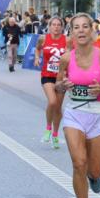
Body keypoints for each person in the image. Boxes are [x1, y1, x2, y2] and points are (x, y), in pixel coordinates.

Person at [54, 13, 100, 198]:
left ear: (92, 31)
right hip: (74, 114)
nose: (80, 30)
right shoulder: (66, 58)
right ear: (71, 32)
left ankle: (94, 177)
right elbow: (57, 85)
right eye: (76, 27)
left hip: (98, 114)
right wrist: (63, 86)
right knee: (79, 162)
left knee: (95, 170)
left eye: (85, 27)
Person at [35, 17, 68, 146]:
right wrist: (37, 57)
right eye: (53, 24)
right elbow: (38, 48)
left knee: (58, 107)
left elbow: (72, 55)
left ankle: (55, 134)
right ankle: (48, 128)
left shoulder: (67, 40)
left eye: (59, 25)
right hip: (47, 75)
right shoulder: (43, 38)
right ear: (49, 26)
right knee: (52, 101)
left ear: (62, 27)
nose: (56, 27)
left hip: (61, 77)